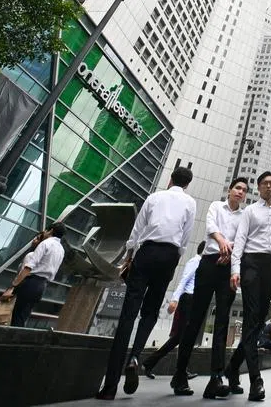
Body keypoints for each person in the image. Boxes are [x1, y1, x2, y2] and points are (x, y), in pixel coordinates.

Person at [98, 166, 196, 400]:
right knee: (150, 312)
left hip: (146, 252)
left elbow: (136, 230)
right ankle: (135, 356)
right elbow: (185, 237)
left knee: (128, 314)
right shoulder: (190, 203)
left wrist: (129, 258)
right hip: (169, 255)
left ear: (171, 179)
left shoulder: (154, 197)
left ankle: (110, 386)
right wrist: (174, 260)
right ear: (187, 185)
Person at [169, 176, 248, 399]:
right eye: (238, 188)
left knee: (222, 322)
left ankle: (216, 377)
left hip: (228, 269)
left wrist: (229, 251)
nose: (241, 192)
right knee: (194, 320)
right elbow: (211, 226)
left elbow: (243, 241)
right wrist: (222, 243)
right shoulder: (216, 206)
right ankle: (179, 374)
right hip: (208, 263)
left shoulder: (244, 217)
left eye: (244, 190)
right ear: (231, 190)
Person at [226, 171, 271, 402]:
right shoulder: (250, 211)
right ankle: (256, 380)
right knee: (252, 317)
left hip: (270, 265)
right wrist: (235, 270)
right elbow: (241, 240)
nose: (268, 186)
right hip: (250, 264)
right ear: (258, 188)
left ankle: (233, 367)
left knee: (258, 320)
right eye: (265, 183)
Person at [140, 240, 204, 380]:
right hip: (188, 299)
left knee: (179, 337)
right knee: (182, 337)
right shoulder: (195, 261)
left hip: (192, 300)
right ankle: (179, 369)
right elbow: (183, 280)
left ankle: (151, 363)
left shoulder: (201, 263)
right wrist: (175, 299)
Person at [1, 222, 66, 328]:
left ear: (51, 231)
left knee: (15, 315)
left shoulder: (45, 243)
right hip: (42, 286)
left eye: (46, 230)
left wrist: (13, 287)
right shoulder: (61, 249)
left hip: (30, 282)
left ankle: (9, 341)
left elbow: (29, 266)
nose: (44, 232)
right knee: (23, 315)